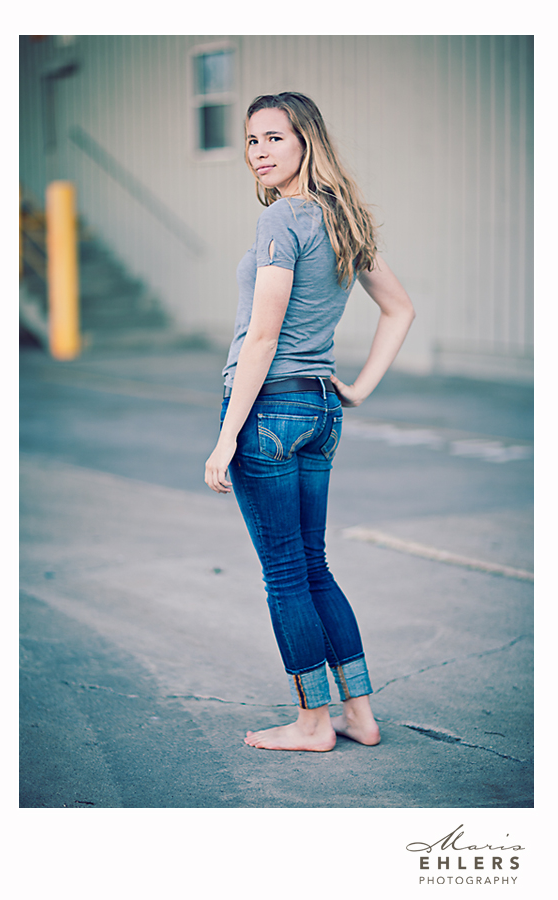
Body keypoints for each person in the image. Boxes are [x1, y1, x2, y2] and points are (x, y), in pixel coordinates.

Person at [205, 92, 415, 752]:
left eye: (274, 138)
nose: (259, 152)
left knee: (286, 576)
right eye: (251, 140)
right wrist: (354, 390)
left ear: (306, 141)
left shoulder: (281, 221)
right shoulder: (343, 219)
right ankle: (360, 714)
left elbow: (263, 336)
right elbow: (400, 309)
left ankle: (312, 723)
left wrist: (225, 438)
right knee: (313, 566)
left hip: (268, 408)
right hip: (319, 408)